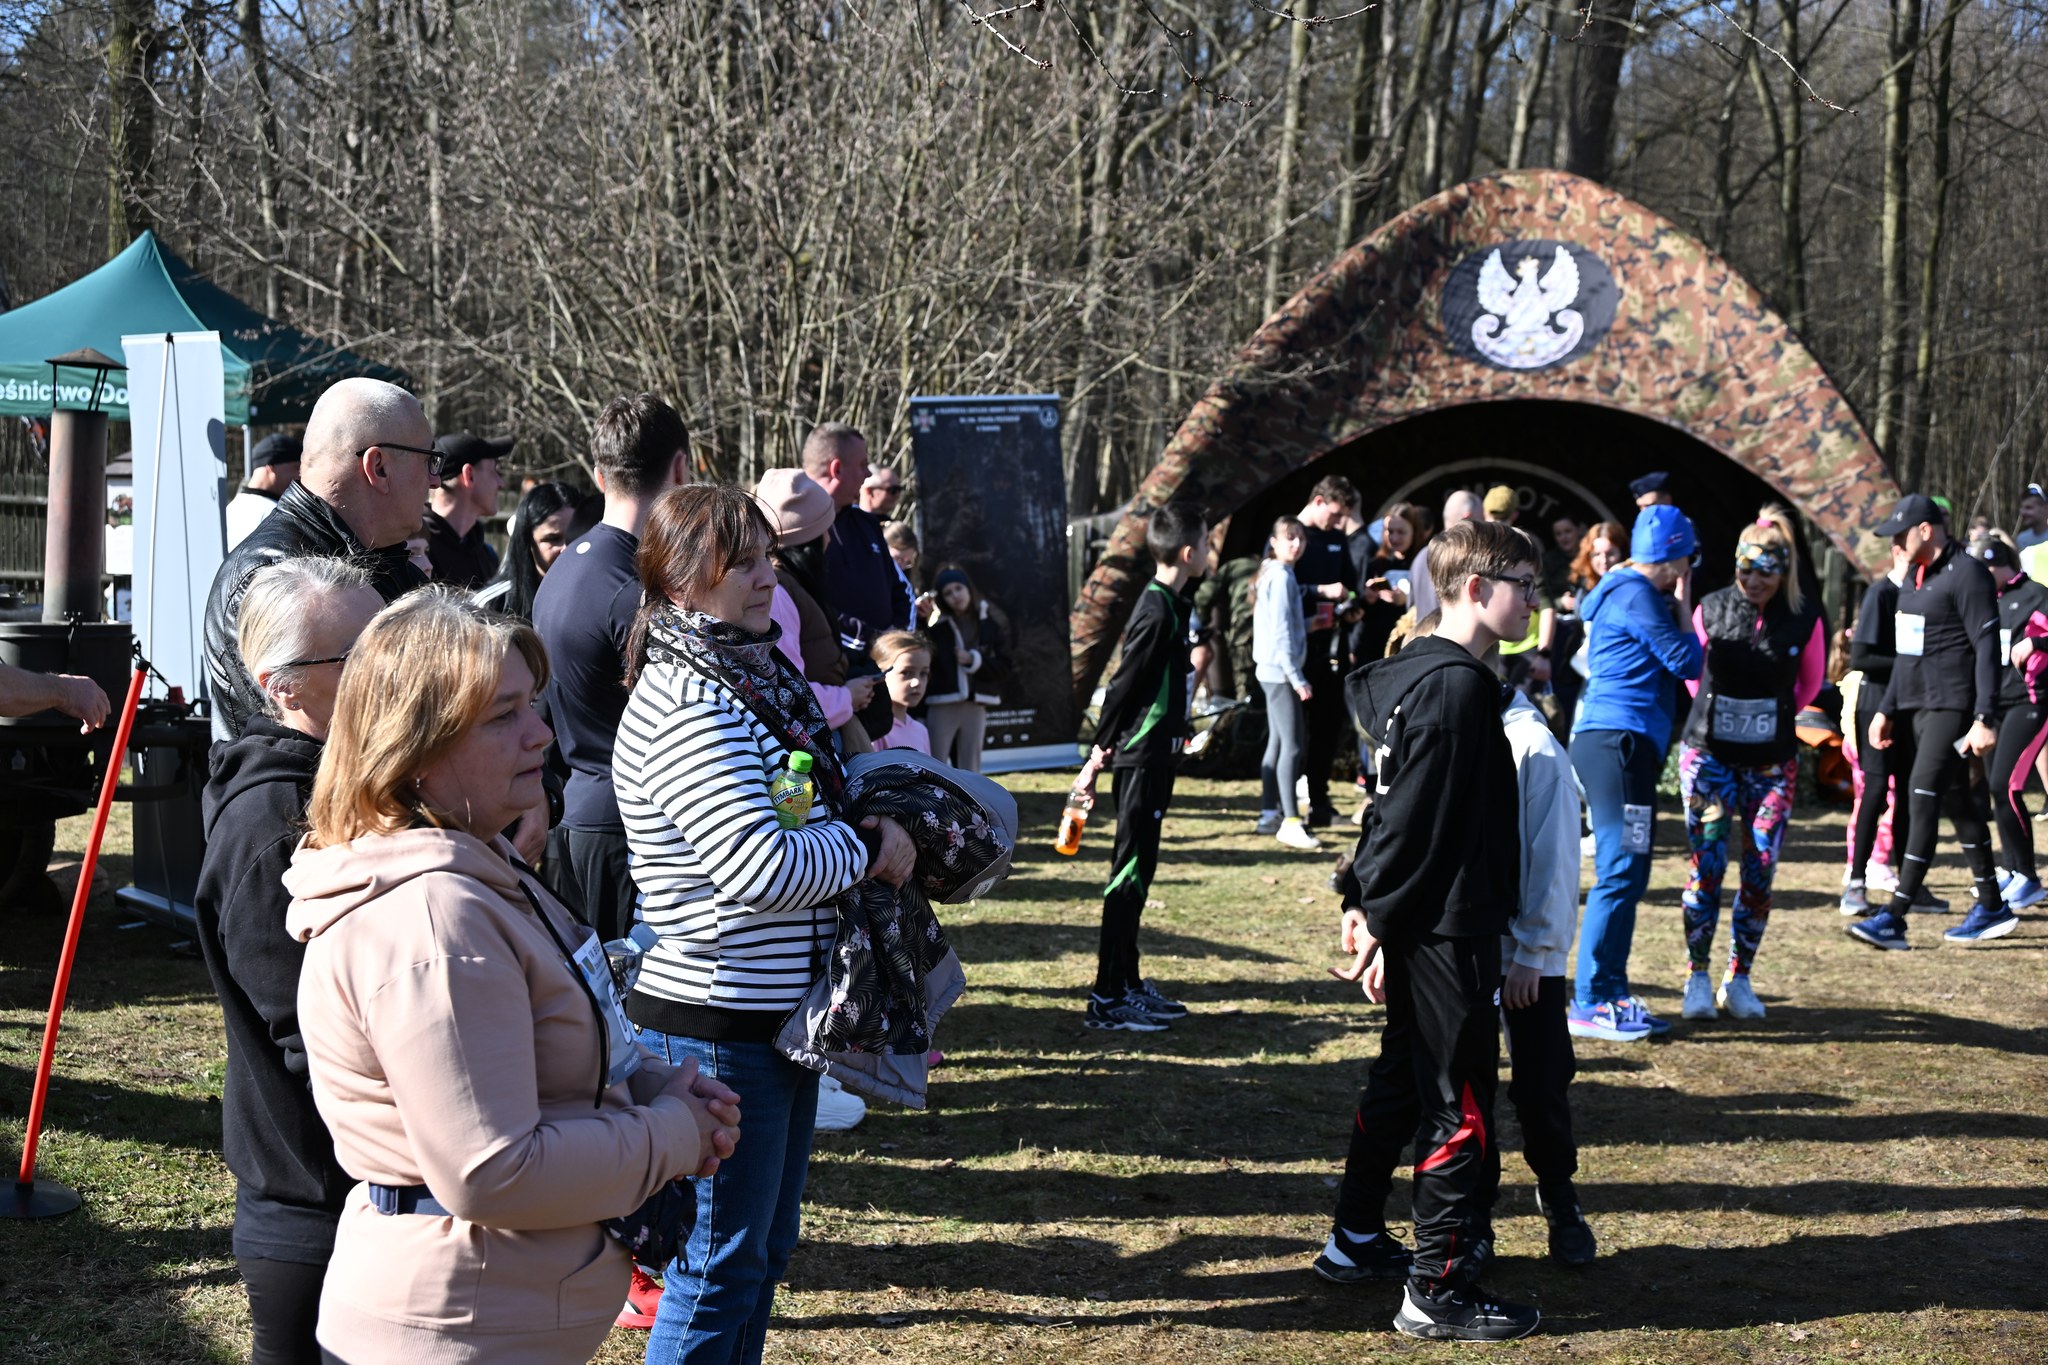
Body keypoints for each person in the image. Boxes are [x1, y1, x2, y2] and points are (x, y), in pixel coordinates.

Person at [285, 588, 740, 1364]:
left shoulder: (478, 863)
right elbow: (488, 1169)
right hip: (452, 1335)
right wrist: (670, 1134)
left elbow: (532, 1062)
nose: (540, 734)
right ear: (415, 749)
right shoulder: (433, 918)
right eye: (503, 717)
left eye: (532, 705)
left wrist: (654, 1084)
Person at [610, 484, 915, 1365]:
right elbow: (759, 867)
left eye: (763, 556)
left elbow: (788, 826)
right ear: (677, 582)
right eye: (737, 560)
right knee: (718, 1266)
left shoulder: (744, 677)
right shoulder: (687, 704)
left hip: (766, 1014)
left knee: (757, 1259)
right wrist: (866, 845)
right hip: (715, 1021)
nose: (760, 576)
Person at [1320, 601, 1595, 1276]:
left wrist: (1537, 950)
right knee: (1451, 1085)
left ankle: (1560, 1198)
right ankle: (1470, 1223)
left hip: (1518, 946)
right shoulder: (1430, 714)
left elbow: (1554, 856)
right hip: (1449, 941)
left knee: (1538, 1087)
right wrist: (1375, 914)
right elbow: (1396, 825)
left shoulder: (1526, 742)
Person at [1319, 519, 1541, 1342]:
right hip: (1444, 926)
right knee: (1462, 1106)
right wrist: (1374, 912)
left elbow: (1387, 810)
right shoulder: (1454, 687)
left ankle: (1354, 1238)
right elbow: (1413, 820)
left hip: (1429, 916)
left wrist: (1361, 893)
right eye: (1525, 582)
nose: (1535, 600)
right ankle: (1436, 1288)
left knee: (1404, 1081)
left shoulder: (1424, 674)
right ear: (1477, 587)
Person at [194, 558, 384, 1365]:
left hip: (365, 1195)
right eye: (363, 654)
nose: (391, 665)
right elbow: (310, 1037)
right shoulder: (274, 823)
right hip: (314, 1207)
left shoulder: (344, 785)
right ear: (283, 687)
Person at [532, 393, 688, 946]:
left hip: (582, 814)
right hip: (628, 831)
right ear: (681, 468)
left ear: (599, 475)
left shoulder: (566, 568)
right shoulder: (632, 592)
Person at [202, 377, 432, 744]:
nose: (435, 480)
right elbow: (299, 752)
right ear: (379, 467)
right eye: (429, 460)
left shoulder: (388, 562)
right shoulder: (269, 578)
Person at [1674, 508, 1824, 1021]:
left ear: (1784, 571)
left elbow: (1807, 684)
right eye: (1746, 568)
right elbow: (1694, 676)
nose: (1755, 579)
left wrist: (1768, 716)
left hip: (1770, 764)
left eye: (1766, 570)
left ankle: (1738, 979)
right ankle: (1696, 978)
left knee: (1760, 869)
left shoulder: (1805, 616)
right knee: (1706, 868)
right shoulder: (1711, 608)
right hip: (1710, 758)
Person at [1849, 493, 2006, 950]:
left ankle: (1895, 915)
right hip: (1916, 707)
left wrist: (1985, 717)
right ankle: (1992, 904)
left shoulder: (1968, 574)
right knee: (1958, 801)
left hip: (1955, 708)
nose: (1894, 544)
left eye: (1899, 534)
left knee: (1921, 795)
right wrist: (1886, 709)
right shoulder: (1914, 582)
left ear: (1924, 530)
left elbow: (1987, 649)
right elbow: (1906, 656)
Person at [1569, 505, 1702, 1041]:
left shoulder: (1620, 590)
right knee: (1621, 868)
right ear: (1674, 558)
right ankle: (1589, 1000)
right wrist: (1684, 605)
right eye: (1688, 558)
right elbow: (1689, 663)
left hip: (1621, 745)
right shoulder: (1641, 598)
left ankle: (1611, 992)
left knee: (1632, 867)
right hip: (1617, 743)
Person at [1075, 502, 1209, 1032]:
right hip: (1138, 756)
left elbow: (1165, 684)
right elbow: (1125, 685)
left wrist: (1181, 729)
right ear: (1188, 551)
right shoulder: (1154, 610)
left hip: (1159, 753)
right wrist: (1099, 751)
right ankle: (1107, 996)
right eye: (1206, 543)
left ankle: (1127, 982)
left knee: (1142, 871)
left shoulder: (1175, 604)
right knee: (1127, 874)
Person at [756, 468, 880, 748]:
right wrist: (846, 697)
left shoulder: (789, 585)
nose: (830, 540)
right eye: (826, 530)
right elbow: (786, 689)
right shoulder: (777, 594)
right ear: (808, 543)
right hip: (811, 744)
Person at [1978, 537, 2048, 923]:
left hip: (2032, 702)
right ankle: (2012, 869)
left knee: (2006, 786)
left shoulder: (2037, 594)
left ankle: (2029, 876)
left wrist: (2036, 641)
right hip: (1997, 707)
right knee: (1996, 789)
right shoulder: (1989, 601)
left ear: (2000, 567)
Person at [1840, 543, 1912, 914]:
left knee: (1908, 795)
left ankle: (1910, 884)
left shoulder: (1923, 594)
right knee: (1876, 790)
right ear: (1898, 551)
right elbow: (1861, 658)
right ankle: (1855, 882)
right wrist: (1912, 662)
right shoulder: (1880, 594)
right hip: (1875, 704)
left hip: (1910, 708)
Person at [1294, 476, 1363, 827]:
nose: (1338, 524)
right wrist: (1319, 592)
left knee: (1327, 727)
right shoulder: (1290, 536)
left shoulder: (1338, 539)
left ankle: (1319, 803)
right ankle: (1284, 809)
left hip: (1332, 647)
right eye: (1335, 515)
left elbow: (1350, 586)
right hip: (1297, 652)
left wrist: (1351, 605)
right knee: (1295, 731)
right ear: (1318, 501)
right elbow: (1272, 586)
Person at [806, 423, 910, 650]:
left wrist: (895, 639)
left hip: (884, 663)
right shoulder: (796, 531)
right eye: (863, 465)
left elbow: (901, 591)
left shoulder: (868, 524)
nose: (868, 474)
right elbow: (808, 606)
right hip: (834, 674)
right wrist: (871, 641)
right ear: (837, 470)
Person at [1252, 516, 1321, 850]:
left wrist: (1313, 623)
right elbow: (1280, 635)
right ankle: (1291, 822)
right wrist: (1297, 678)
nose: (1296, 544)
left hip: (1270, 670)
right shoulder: (1280, 578)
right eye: (1289, 538)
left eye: (1301, 539)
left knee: (1277, 744)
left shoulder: (1275, 573)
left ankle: (1269, 814)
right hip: (1280, 674)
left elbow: (1283, 626)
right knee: (1292, 745)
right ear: (1274, 541)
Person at [923, 566, 1006, 773]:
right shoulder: (937, 628)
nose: (955, 596)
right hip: (942, 705)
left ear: (968, 588)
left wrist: (973, 660)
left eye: (959, 588)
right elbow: (925, 659)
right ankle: (936, 804)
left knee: (971, 768)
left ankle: (970, 806)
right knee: (936, 764)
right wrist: (922, 620)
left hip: (975, 706)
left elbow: (1004, 665)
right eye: (948, 593)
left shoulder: (989, 624)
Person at [1548, 520, 1625, 740]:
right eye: (1596, 555)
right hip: (1585, 673)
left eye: (1610, 553)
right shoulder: (1585, 583)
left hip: (1616, 676)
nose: (1604, 562)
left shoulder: (1630, 585)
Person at [474, 480, 581, 621]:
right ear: (528, 542)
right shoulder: (490, 607)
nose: (566, 549)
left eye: (574, 537)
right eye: (553, 539)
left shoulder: (600, 594)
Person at [421, 431, 509, 589]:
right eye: (494, 471)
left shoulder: (485, 554)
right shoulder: (418, 550)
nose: (500, 483)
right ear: (469, 476)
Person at [1405, 489, 1481, 621]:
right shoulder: (1466, 558)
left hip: (1422, 638)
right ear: (1467, 518)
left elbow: (1411, 607)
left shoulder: (1421, 556)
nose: (1483, 528)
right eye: (1482, 520)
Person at [226, 433, 302, 550]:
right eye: (296, 467)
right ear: (271, 467)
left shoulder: (230, 509)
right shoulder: (275, 513)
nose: (300, 475)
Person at [870, 629, 933, 754]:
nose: (917, 682)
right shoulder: (875, 732)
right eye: (906, 672)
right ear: (880, 672)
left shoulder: (920, 731)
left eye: (923, 673)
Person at [1541, 516, 1582, 605]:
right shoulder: (1547, 561)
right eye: (1558, 534)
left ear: (1578, 530)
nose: (1564, 538)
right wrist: (1561, 602)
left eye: (1568, 531)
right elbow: (1540, 595)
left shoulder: (1591, 557)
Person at [2015, 483, 2048, 554]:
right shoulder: (2022, 539)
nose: (2022, 512)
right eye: (2022, 508)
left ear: (2045, 508)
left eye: (2029, 508)